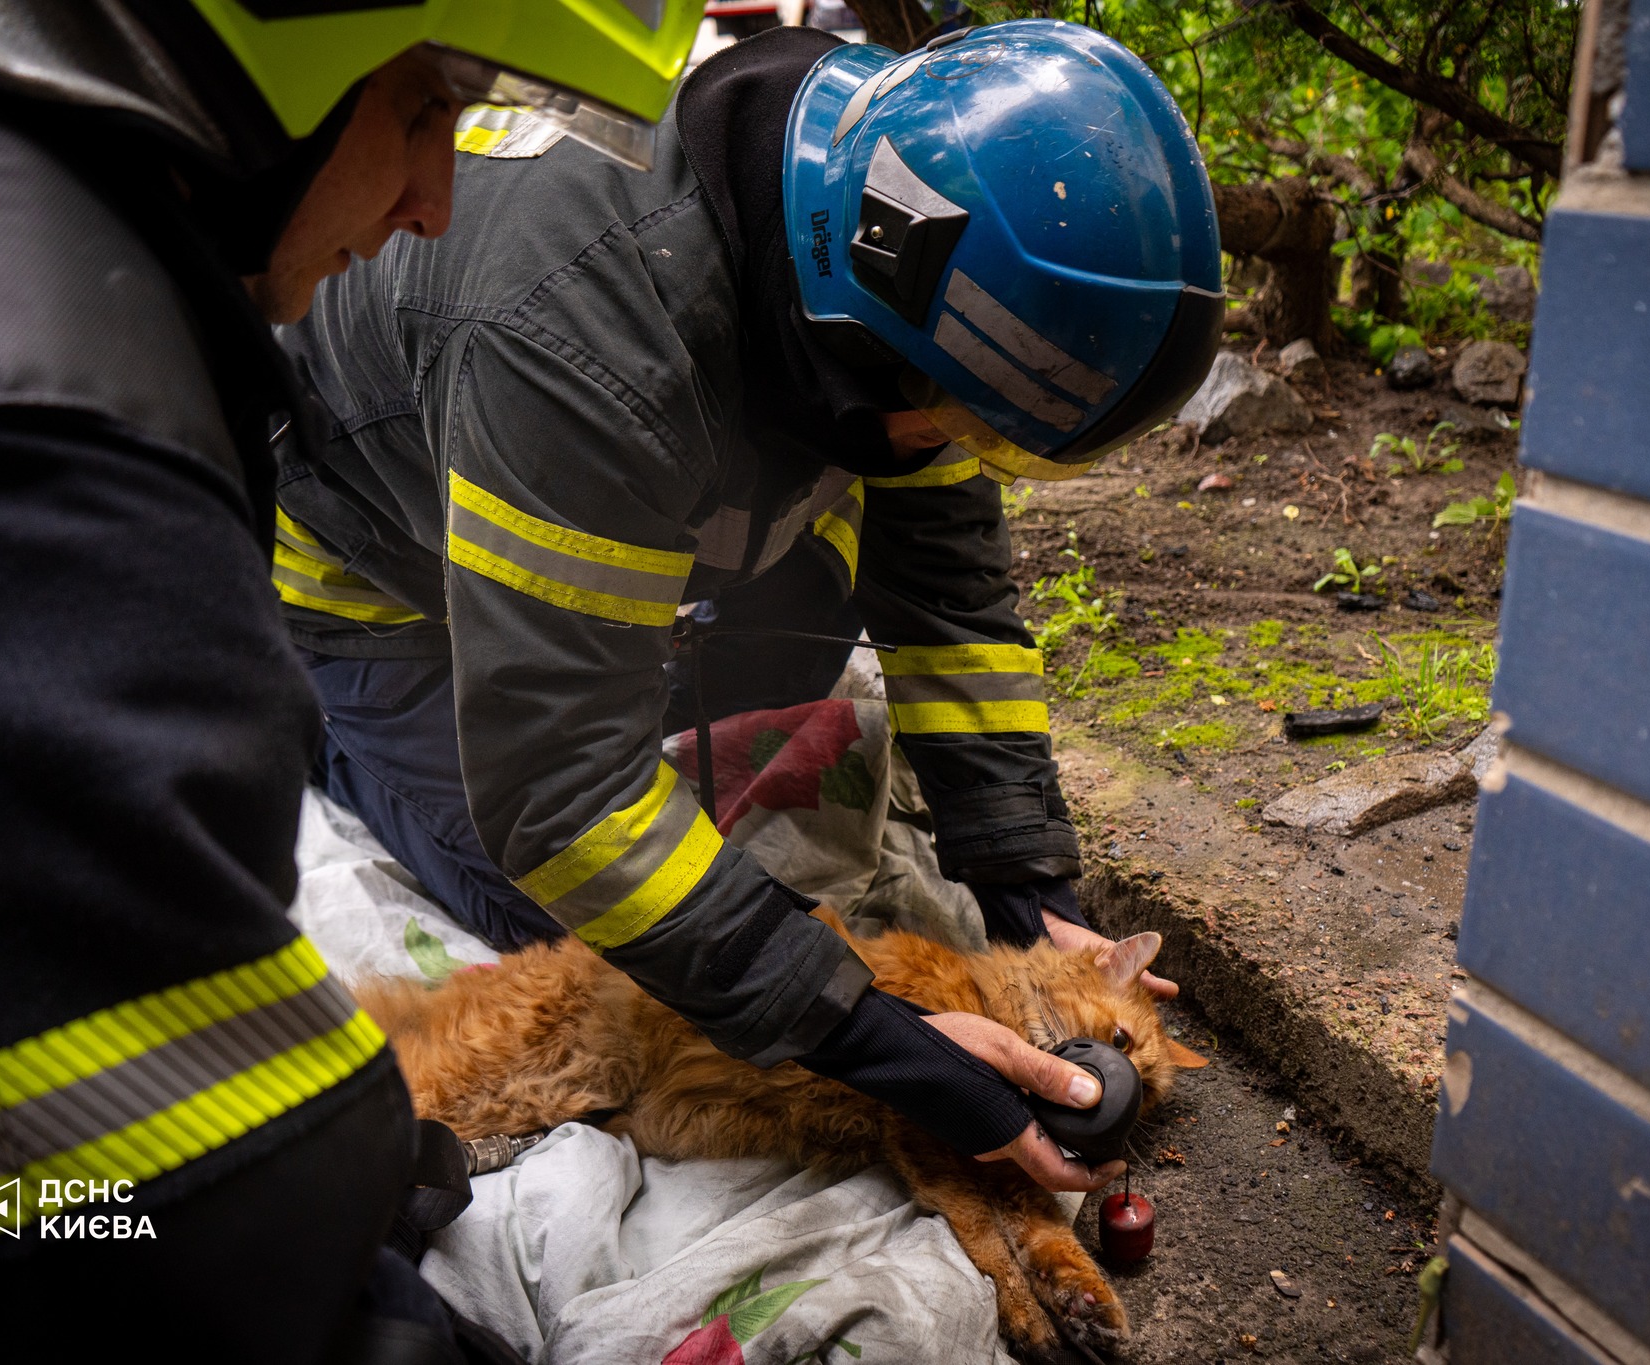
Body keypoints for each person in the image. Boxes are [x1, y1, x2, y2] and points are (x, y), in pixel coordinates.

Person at [0, 1, 699, 1358]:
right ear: (272, 46)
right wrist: (341, 1206)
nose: (433, 202)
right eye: (420, 107)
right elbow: (84, 1228)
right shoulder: (14, 460)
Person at [275, 19, 1222, 1197]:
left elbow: (951, 610)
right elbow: (563, 791)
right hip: (392, 598)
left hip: (610, 496)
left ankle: (609, 666)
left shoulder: (893, 254)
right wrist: (866, 1035)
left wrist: (1031, 899)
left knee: (760, 742)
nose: (956, 455)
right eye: (959, 424)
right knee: (600, 951)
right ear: (858, 321)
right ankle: (331, 731)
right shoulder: (581, 344)